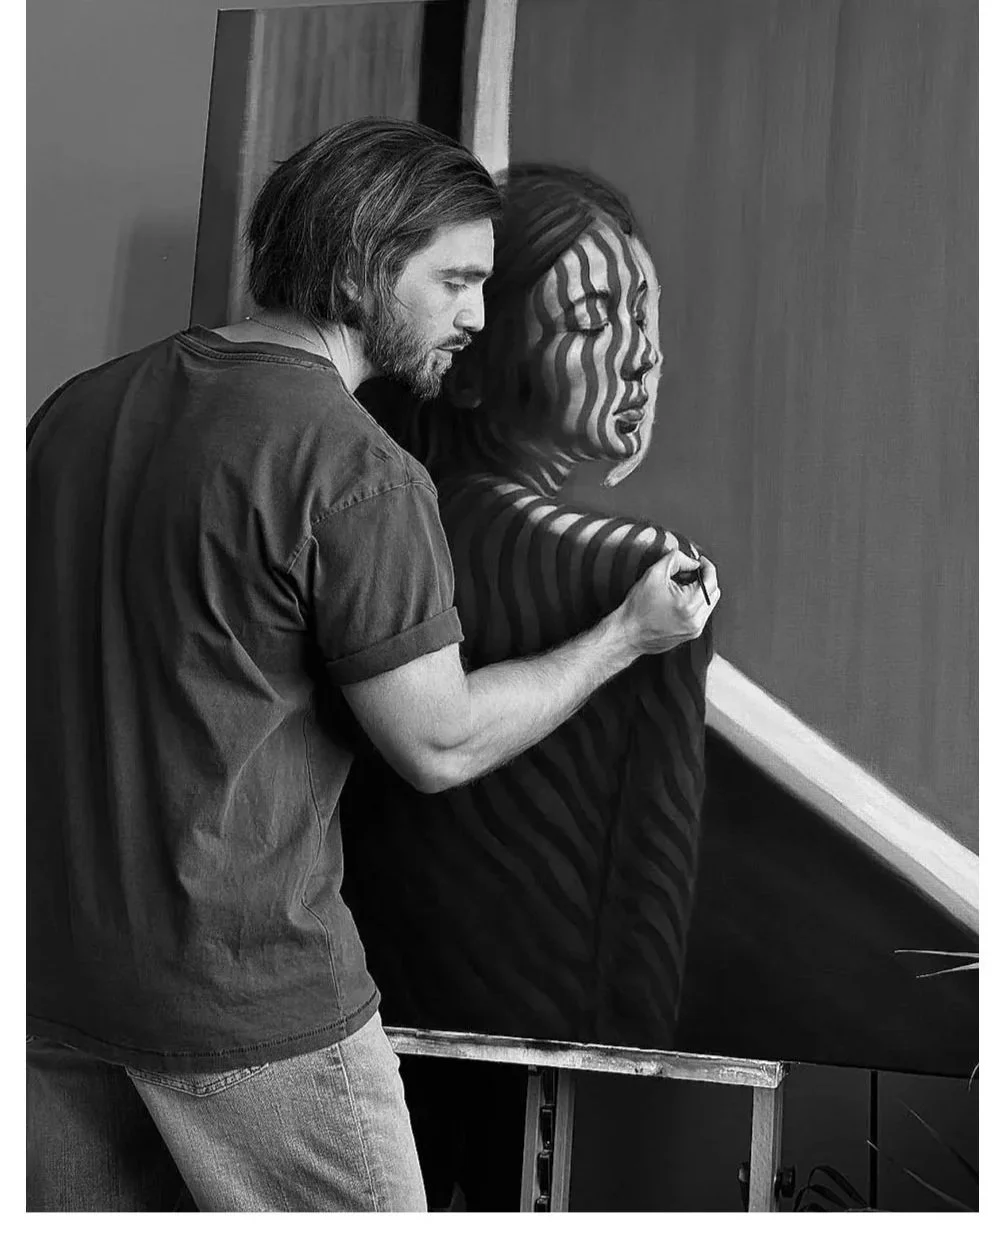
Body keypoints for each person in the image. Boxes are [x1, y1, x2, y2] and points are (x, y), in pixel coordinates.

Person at [27, 120, 718, 1212]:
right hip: (247, 1002)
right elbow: (437, 742)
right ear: (361, 263)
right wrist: (624, 636)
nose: (478, 316)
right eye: (454, 280)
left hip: (53, 990)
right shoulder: (354, 468)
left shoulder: (72, 412)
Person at [342, 165, 715, 1210]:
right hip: (540, 1076)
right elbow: (645, 907)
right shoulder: (636, 573)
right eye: (597, 317)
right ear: (468, 362)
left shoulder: (381, 514)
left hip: (361, 1025)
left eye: (643, 311)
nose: (640, 352)